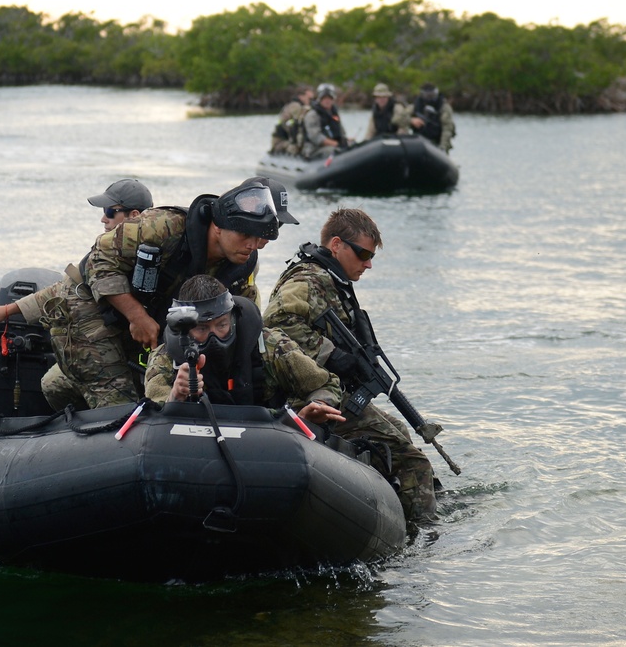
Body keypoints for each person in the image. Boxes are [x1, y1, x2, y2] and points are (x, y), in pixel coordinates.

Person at [262, 208, 438, 526]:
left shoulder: (329, 279)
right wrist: (331, 355)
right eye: (363, 254)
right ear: (336, 245)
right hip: (311, 397)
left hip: (327, 392)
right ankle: (426, 536)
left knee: (401, 434)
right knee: (414, 463)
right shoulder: (309, 280)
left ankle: (403, 509)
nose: (368, 263)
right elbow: (274, 324)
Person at [0, 178, 153, 411]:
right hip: (89, 353)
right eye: (103, 211)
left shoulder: (148, 261)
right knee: (52, 384)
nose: (103, 219)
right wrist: (6, 311)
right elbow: (64, 290)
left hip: (118, 356)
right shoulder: (105, 253)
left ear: (134, 216)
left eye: (111, 212)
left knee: (116, 412)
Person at [144, 275, 346, 431]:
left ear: (232, 318)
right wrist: (176, 397)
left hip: (272, 437)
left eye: (221, 325)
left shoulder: (269, 344)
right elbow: (154, 416)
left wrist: (315, 407)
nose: (214, 337)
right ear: (185, 328)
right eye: (202, 329)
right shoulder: (167, 358)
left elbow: (326, 384)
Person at [301, 83, 349, 160]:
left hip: (334, 145)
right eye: (324, 98)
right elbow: (315, 137)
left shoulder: (334, 114)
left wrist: (346, 141)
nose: (327, 101)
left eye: (330, 98)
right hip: (314, 149)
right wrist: (336, 144)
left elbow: (341, 132)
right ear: (320, 99)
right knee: (334, 151)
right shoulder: (312, 115)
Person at [406, 83, 455, 153]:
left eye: (432, 95)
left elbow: (447, 129)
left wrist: (443, 147)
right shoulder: (415, 106)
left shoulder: (444, 107)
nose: (430, 97)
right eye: (427, 95)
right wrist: (411, 120)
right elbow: (401, 118)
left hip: (437, 140)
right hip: (419, 141)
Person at [270, 85, 314, 155]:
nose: (311, 101)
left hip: (287, 139)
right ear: (301, 96)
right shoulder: (296, 106)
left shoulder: (298, 106)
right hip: (281, 141)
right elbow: (298, 125)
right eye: (309, 98)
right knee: (295, 148)